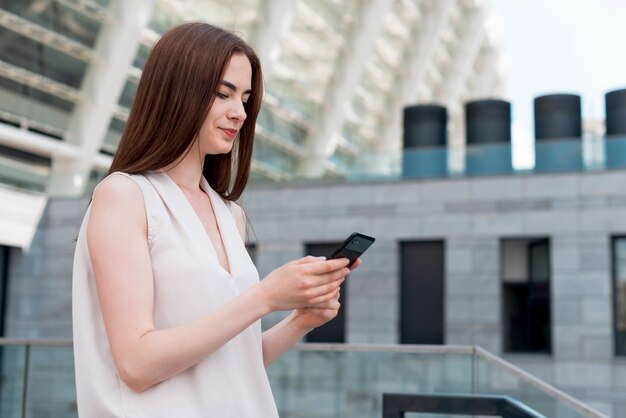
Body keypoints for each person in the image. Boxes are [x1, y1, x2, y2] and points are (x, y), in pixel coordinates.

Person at [72, 22, 359, 417]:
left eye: (245, 98)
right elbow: (136, 364)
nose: (239, 113)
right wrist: (264, 297)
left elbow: (229, 363)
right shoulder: (125, 196)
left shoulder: (229, 214)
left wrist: (299, 321)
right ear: (176, 92)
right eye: (223, 94)